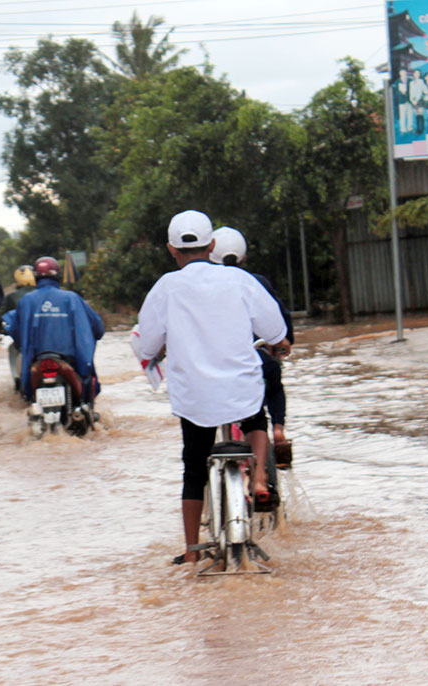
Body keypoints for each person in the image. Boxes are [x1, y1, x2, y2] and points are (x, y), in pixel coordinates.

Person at [135, 210, 290, 565]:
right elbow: (275, 329)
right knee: (256, 415)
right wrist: (280, 344)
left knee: (193, 467)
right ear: (213, 244)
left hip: (195, 399)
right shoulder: (240, 281)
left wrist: (159, 347)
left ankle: (191, 553)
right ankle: (259, 476)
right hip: (241, 391)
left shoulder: (165, 288)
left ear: (172, 249)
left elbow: (146, 346)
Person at [210, 226, 294, 464]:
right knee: (273, 384)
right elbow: (282, 322)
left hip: (214, 369)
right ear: (243, 256)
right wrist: (281, 346)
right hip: (257, 362)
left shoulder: (203, 288)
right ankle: (278, 429)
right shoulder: (256, 282)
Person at [2, 256, 104, 402]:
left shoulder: (27, 300)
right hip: (70, 361)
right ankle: (85, 407)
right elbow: (97, 326)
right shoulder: (72, 298)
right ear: (58, 275)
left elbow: (16, 330)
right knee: (86, 385)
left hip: (36, 361)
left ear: (36, 277)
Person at [0, 265, 37, 391]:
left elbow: (0, 316)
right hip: (50, 340)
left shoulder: (12, 297)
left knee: (13, 349)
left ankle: (17, 378)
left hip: (24, 341)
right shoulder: (46, 293)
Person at [410, 69, 425, 135]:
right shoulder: (411, 82)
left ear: (420, 74)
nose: (417, 74)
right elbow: (410, 92)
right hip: (413, 100)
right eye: (416, 73)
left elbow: (419, 92)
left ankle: (421, 129)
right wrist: (412, 100)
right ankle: (418, 129)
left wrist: (416, 100)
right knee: (416, 115)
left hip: (419, 99)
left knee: (420, 113)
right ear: (414, 74)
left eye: (418, 73)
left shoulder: (421, 81)